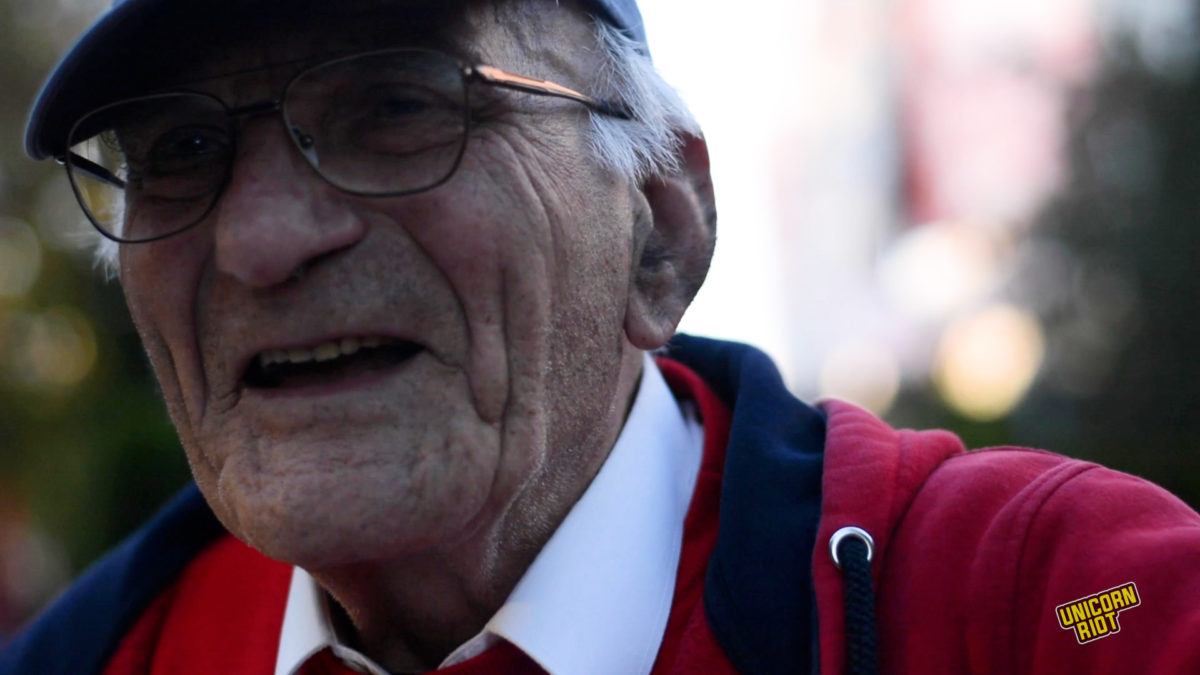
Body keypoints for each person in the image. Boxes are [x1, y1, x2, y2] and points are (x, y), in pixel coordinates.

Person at [4, 0, 1200, 673]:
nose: (260, 241)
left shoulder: (1060, 603)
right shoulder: (95, 656)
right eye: (181, 152)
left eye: (398, 107)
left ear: (659, 236)